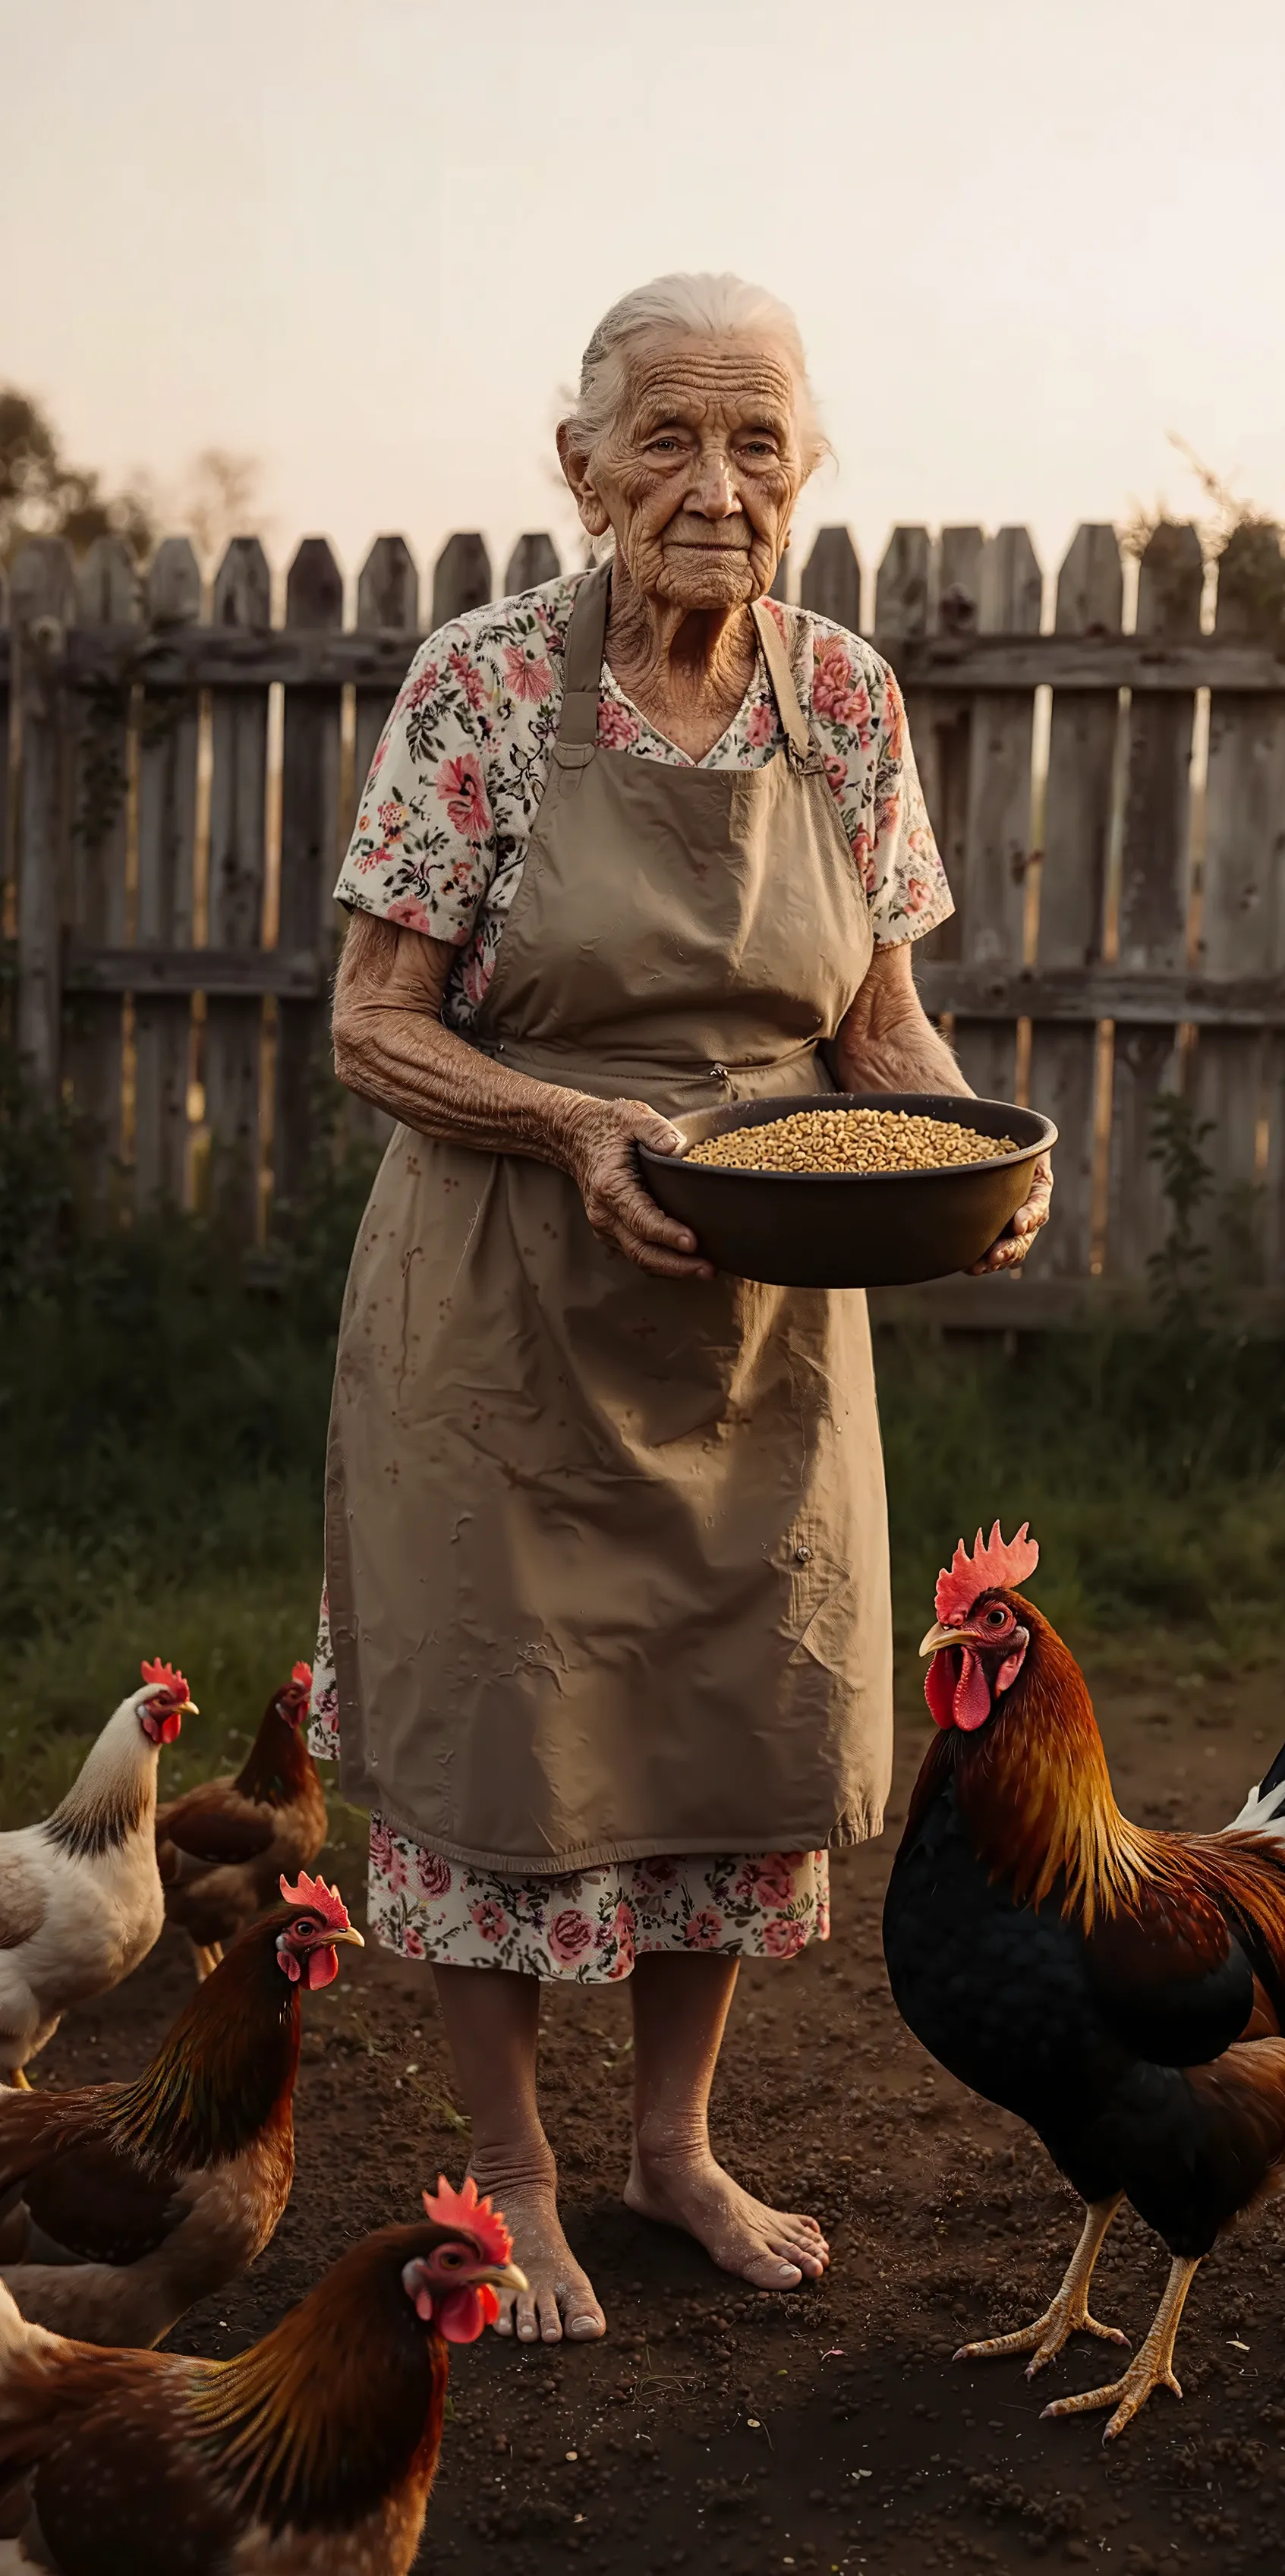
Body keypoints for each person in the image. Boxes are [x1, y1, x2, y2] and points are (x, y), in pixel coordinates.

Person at [313, 271, 1053, 2347]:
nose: (715, 485)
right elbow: (372, 1027)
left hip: (765, 1304)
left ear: (808, 462)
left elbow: (883, 1027)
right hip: (500, 1299)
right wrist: (566, 1131)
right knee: (494, 1729)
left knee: (737, 1719)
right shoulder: (481, 694)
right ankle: (518, 2175)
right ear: (581, 467)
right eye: (667, 436)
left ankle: (672, 2147)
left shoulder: (847, 698)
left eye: (758, 440)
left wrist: (967, 1164)